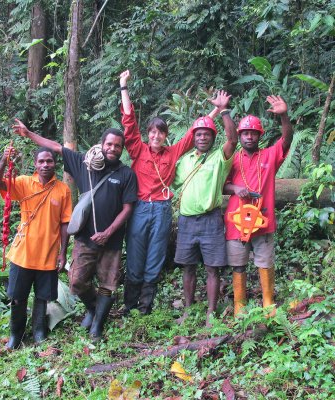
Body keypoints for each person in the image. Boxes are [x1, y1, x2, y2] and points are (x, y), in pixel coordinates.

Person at [12, 120, 138, 340]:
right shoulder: (84, 164)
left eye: (118, 146)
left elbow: (128, 208)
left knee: (107, 284)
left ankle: (97, 325)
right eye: (109, 144)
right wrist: (28, 133)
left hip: (113, 240)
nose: (112, 148)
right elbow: (56, 147)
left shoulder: (126, 174)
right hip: (84, 238)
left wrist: (108, 232)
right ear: (101, 144)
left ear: (122, 149)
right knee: (77, 281)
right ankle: (93, 308)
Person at [119, 70, 219, 315]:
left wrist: (214, 111)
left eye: (160, 132)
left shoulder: (172, 152)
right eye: (152, 132)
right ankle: (129, 304)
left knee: (156, 254)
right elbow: (128, 123)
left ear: (165, 136)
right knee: (135, 252)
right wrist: (123, 87)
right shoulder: (138, 150)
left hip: (162, 209)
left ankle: (145, 306)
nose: (156, 136)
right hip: (140, 208)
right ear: (148, 134)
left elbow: (195, 132)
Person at [0, 146, 72, 349]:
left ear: (55, 163)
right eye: (41, 161)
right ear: (35, 164)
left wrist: (62, 253)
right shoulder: (24, 183)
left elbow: (65, 223)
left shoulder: (63, 190)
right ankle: (15, 335)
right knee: (18, 297)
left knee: (42, 297)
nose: (45, 165)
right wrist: (3, 160)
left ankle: (38, 332)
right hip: (23, 254)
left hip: (48, 254)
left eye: (49, 161)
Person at [224, 95, 293, 317]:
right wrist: (235, 189)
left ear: (259, 135)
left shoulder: (269, 155)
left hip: (263, 220)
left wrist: (283, 115)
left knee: (265, 261)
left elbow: (287, 140)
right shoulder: (231, 158)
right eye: (245, 133)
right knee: (238, 263)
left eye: (253, 133)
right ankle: (240, 305)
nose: (249, 136)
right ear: (240, 136)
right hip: (237, 220)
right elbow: (221, 185)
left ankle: (268, 302)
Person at [173, 91, 238, 326]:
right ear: (193, 137)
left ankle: (211, 312)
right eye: (198, 134)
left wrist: (224, 110)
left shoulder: (219, 157)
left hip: (211, 219)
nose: (202, 137)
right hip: (187, 221)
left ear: (212, 137)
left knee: (212, 268)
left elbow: (232, 140)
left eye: (207, 134)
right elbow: (169, 177)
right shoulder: (185, 160)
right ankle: (189, 310)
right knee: (188, 267)